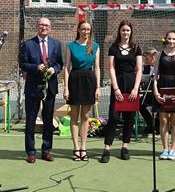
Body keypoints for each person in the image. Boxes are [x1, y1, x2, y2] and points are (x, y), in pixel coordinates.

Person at [19, 17, 63, 163]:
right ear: (37, 26)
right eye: (41, 25)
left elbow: (59, 64)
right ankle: (31, 152)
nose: (44, 27)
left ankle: (46, 150)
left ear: (50, 27)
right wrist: (36, 67)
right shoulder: (28, 44)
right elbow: (23, 64)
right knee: (31, 120)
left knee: (48, 120)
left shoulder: (56, 44)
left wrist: (54, 70)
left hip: (50, 88)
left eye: (46, 25)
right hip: (33, 88)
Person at [102, 20, 142, 163]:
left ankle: (125, 147)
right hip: (118, 83)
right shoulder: (113, 48)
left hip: (132, 84)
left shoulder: (136, 48)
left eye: (128, 30)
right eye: (123, 30)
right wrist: (116, 88)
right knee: (113, 117)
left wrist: (135, 88)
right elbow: (111, 68)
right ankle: (107, 148)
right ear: (119, 31)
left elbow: (139, 70)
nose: (125, 32)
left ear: (131, 32)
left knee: (129, 118)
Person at [63, 20, 100, 161]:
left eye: (88, 29)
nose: (86, 31)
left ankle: (83, 148)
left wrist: (98, 87)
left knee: (85, 116)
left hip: (89, 81)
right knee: (74, 116)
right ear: (78, 30)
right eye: (83, 29)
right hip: (74, 80)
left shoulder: (95, 46)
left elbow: (97, 67)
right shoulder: (70, 46)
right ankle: (76, 148)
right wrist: (66, 88)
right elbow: (67, 67)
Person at [154, 30, 175, 160]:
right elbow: (155, 74)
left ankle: (173, 150)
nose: (171, 41)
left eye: (174, 39)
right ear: (165, 39)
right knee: (163, 120)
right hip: (162, 87)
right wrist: (156, 92)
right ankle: (165, 149)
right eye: (169, 38)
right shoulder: (159, 54)